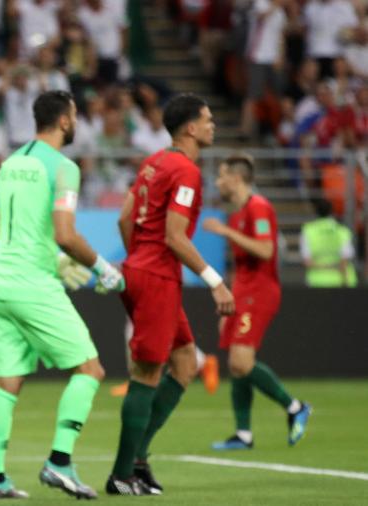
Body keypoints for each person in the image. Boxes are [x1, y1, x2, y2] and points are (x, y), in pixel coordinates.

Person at [0, 90, 124, 500]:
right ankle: (59, 463)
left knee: (6, 382)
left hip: (0, 282)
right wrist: (103, 269)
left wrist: (56, 261)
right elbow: (65, 234)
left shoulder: (10, 163)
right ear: (65, 120)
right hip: (33, 284)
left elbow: (4, 227)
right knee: (90, 370)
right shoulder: (63, 168)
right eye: (76, 115)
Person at [107, 93, 235, 496]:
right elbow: (174, 237)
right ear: (191, 128)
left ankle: (139, 460)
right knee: (146, 373)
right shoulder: (186, 172)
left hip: (141, 272)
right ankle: (121, 474)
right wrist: (215, 280)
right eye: (208, 119)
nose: (213, 125)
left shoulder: (153, 162)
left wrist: (138, 262)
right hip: (156, 277)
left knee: (184, 364)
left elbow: (125, 218)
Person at [203, 154, 312, 451]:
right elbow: (243, 266)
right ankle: (243, 435)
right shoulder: (238, 212)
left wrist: (227, 232)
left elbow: (265, 251)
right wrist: (230, 304)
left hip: (261, 292)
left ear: (236, 179)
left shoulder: (258, 208)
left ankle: (295, 407)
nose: (218, 182)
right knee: (236, 366)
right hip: (244, 293)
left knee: (241, 361)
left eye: (222, 175)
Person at [300, 199, 358, 287]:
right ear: (332, 211)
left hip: (316, 281)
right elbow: (344, 261)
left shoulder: (308, 231)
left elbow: (307, 262)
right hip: (340, 281)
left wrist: (324, 267)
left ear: (316, 211)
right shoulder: (342, 231)